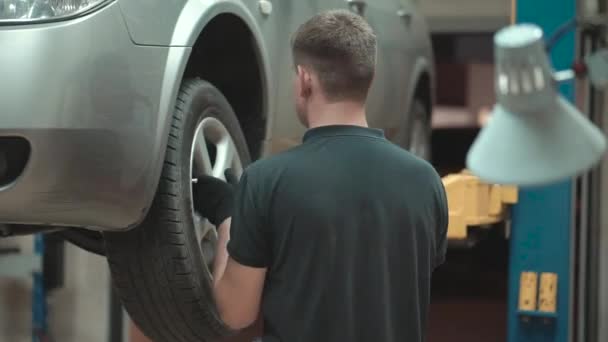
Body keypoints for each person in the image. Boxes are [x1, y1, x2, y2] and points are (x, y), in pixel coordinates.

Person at [194, 9, 449, 342]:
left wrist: (229, 218)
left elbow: (236, 313)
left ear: (304, 80)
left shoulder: (266, 181)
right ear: (368, 79)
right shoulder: (426, 181)